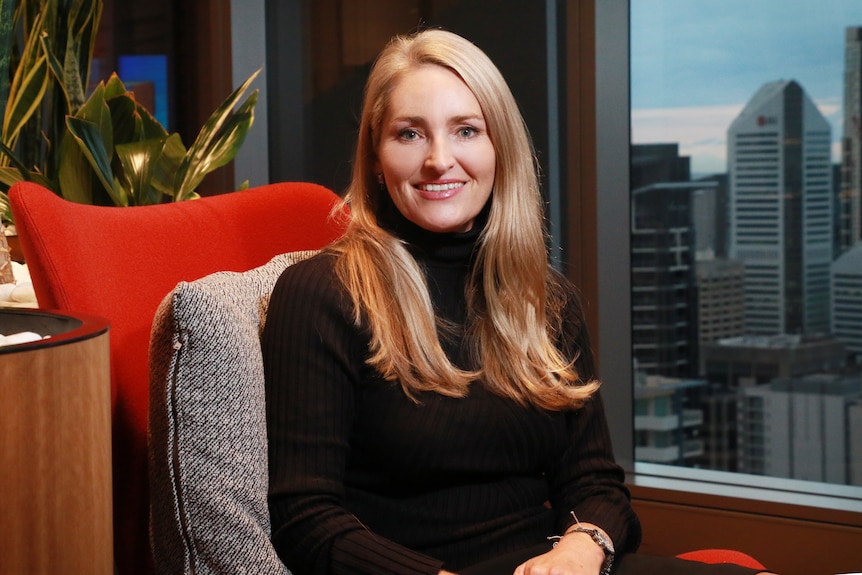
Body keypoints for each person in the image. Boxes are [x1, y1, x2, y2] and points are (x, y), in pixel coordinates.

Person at [262, 28, 772, 575]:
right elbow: (305, 518)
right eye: (409, 134)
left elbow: (595, 482)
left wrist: (582, 549)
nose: (439, 159)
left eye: (466, 130)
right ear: (376, 156)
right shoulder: (321, 294)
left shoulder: (544, 299)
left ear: (499, 148)